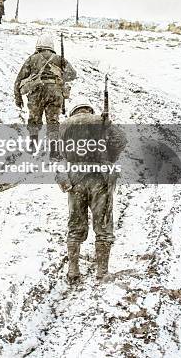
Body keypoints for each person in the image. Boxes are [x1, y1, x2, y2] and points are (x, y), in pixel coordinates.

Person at [57, 97, 127, 283]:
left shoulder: (64, 126)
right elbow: (121, 140)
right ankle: (102, 272)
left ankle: (73, 271)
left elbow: (56, 155)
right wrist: (109, 157)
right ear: (89, 110)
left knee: (75, 225)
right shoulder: (100, 121)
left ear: (74, 112)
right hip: (99, 178)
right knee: (103, 226)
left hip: (75, 180)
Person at [14, 33, 76, 141]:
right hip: (55, 92)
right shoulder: (59, 59)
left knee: (34, 119)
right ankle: (54, 151)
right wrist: (61, 78)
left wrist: (18, 98)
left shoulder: (32, 59)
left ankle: (33, 144)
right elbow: (73, 74)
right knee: (53, 122)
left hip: (36, 91)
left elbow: (19, 80)